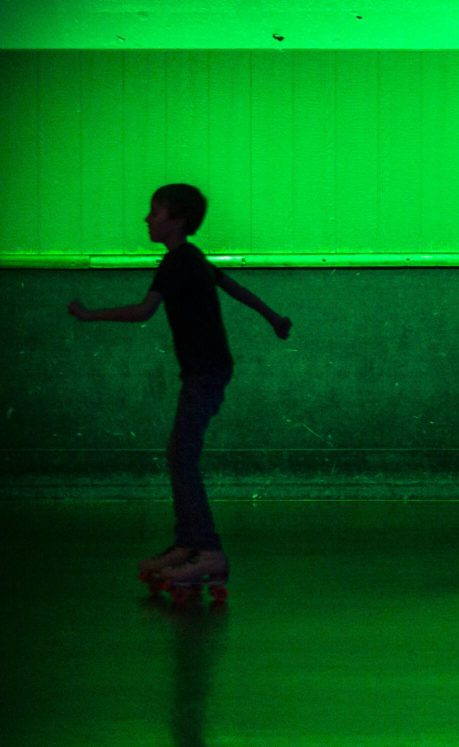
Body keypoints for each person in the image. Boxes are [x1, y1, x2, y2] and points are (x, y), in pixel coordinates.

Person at [68, 184, 292, 581]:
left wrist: (90, 316)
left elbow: (143, 311)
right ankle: (188, 543)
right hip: (208, 371)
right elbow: (234, 288)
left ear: (178, 220)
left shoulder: (178, 263)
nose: (147, 219)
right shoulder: (189, 258)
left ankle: (207, 550)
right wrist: (273, 318)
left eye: (155, 212)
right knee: (179, 454)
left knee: (182, 456)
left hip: (205, 372)